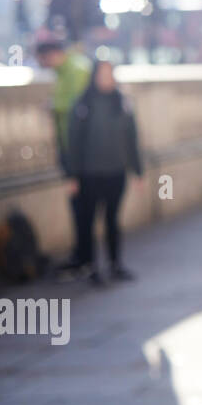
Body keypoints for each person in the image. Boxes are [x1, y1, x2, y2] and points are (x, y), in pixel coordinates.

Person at [66, 60, 144, 284]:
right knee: (88, 222)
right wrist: (72, 175)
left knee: (112, 220)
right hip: (90, 174)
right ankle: (91, 267)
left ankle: (115, 264)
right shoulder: (83, 103)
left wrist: (138, 171)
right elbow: (74, 141)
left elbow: (132, 139)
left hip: (116, 172)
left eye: (110, 74)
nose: (106, 78)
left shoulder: (122, 102)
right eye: (102, 74)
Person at [35, 32, 92, 274]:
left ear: (51, 55)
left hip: (78, 153)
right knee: (78, 203)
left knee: (82, 204)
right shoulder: (68, 70)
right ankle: (82, 255)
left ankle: (84, 257)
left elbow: (76, 108)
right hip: (72, 150)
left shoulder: (76, 69)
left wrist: (53, 106)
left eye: (42, 59)